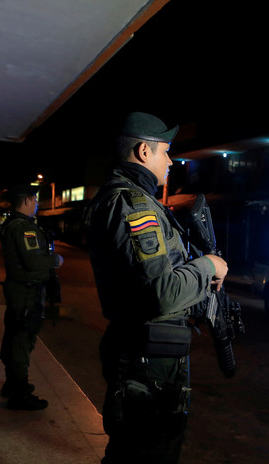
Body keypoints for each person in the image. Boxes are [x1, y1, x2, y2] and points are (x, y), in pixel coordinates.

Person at [83, 112, 228, 463]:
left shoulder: (132, 200)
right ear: (144, 151)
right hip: (147, 364)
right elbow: (160, 292)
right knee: (147, 453)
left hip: (148, 357)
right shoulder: (134, 205)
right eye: (166, 152)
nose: (171, 161)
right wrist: (209, 265)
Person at [0, 183, 64, 410]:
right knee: (22, 342)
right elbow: (33, 261)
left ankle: (12, 384)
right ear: (26, 200)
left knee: (14, 337)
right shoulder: (23, 228)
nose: (36, 204)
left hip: (18, 292)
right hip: (26, 294)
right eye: (35, 200)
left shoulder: (12, 224)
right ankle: (19, 394)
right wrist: (55, 260)